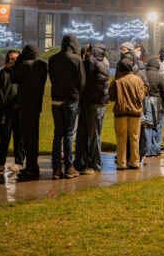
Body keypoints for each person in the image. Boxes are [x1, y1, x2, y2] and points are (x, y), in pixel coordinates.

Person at [47, 35, 84, 179]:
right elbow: (81, 81)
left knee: (58, 134)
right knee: (68, 134)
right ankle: (69, 166)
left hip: (56, 99)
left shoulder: (53, 59)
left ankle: (56, 168)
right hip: (71, 99)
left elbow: (52, 77)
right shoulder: (76, 59)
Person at [10, 44, 47, 179]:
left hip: (25, 104)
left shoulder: (25, 65)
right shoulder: (43, 65)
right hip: (36, 105)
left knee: (27, 137)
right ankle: (33, 165)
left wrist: (18, 61)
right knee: (34, 136)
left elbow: (13, 78)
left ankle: (31, 167)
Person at [75, 43, 110, 174]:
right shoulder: (93, 65)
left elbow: (96, 87)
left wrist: (86, 99)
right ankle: (86, 161)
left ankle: (95, 164)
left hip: (95, 104)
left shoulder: (99, 66)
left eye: (90, 51)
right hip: (91, 103)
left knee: (94, 136)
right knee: (87, 134)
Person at [109, 55, 146, 170]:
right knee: (135, 138)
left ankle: (122, 163)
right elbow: (141, 96)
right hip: (135, 114)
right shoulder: (138, 80)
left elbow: (111, 97)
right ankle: (135, 162)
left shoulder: (116, 81)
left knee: (121, 139)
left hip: (120, 113)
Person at [0, 49, 23, 175]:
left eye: (16, 59)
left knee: (19, 139)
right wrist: (1, 113)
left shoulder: (22, 73)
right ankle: (0, 164)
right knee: (4, 139)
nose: (14, 61)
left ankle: (19, 162)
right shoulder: (3, 73)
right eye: (11, 59)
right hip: (7, 112)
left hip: (19, 111)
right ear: (8, 60)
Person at [141, 56, 164, 160]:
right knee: (158, 126)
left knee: (147, 126)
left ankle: (147, 150)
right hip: (158, 102)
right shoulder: (160, 77)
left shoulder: (143, 75)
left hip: (146, 102)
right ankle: (156, 149)